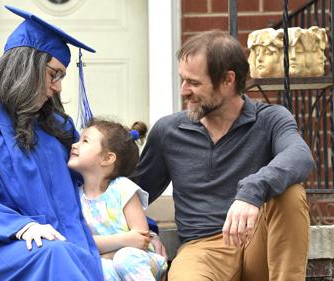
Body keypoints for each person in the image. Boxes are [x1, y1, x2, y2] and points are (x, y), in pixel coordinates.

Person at [0, 5, 104, 280]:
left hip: (65, 240)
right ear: (26, 67)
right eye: (54, 74)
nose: (59, 87)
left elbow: (96, 182)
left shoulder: (59, 128)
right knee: (55, 255)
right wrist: (20, 225)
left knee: (76, 256)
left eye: (62, 76)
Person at [135, 30, 315, 281]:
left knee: (290, 194)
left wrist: (252, 191)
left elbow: (300, 156)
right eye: (182, 80)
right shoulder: (168, 131)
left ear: (228, 80)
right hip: (202, 250)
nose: (183, 91)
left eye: (194, 83)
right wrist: (147, 231)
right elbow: (130, 193)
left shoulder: (270, 119)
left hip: (256, 242)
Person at [68, 118, 168, 281]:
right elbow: (83, 244)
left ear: (107, 158)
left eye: (84, 141)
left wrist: (105, 249)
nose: (74, 144)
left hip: (141, 261)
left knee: (124, 258)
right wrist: (122, 240)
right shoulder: (77, 198)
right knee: (103, 268)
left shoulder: (123, 189)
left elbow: (141, 240)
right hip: (109, 261)